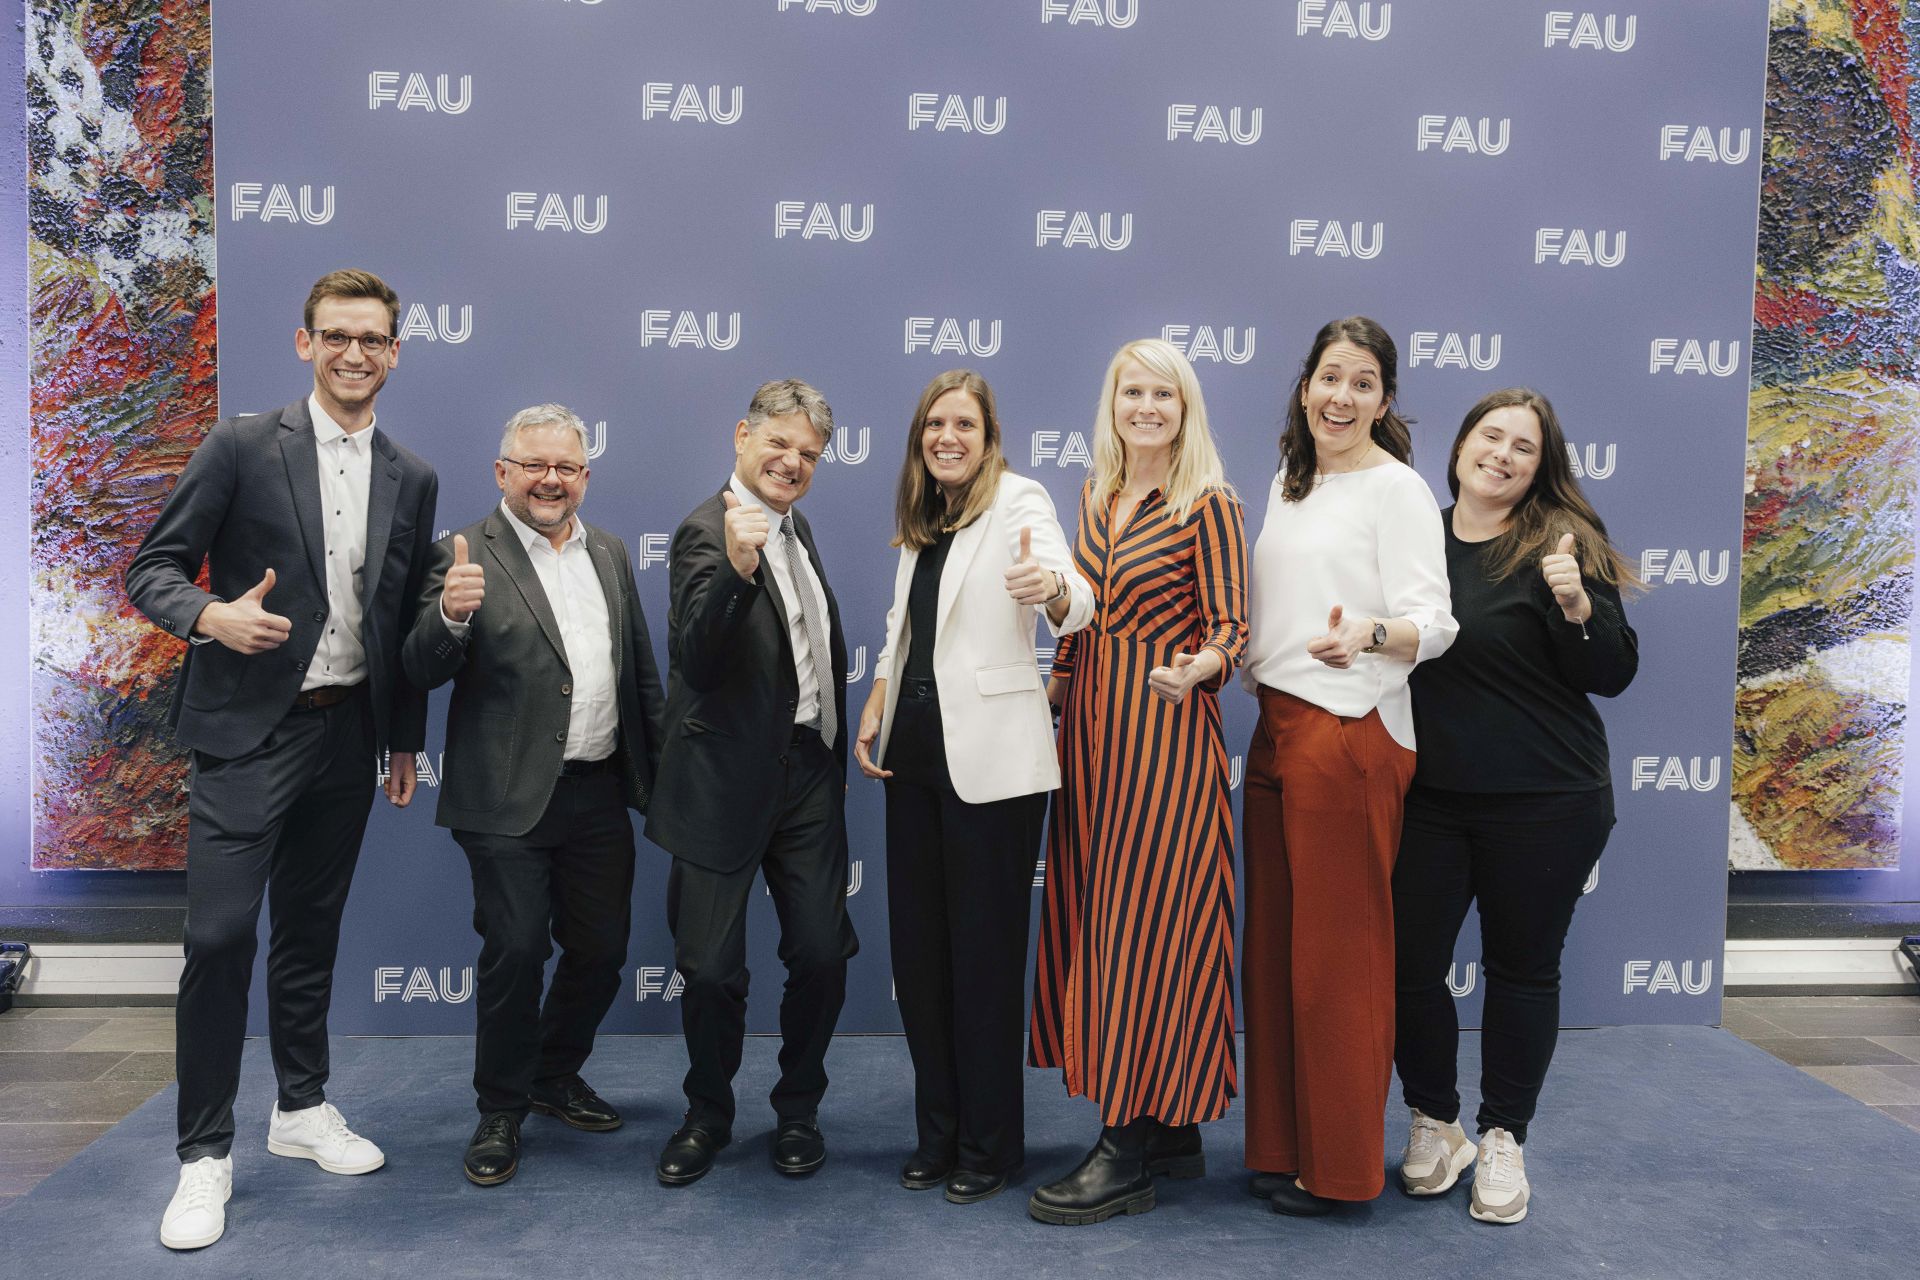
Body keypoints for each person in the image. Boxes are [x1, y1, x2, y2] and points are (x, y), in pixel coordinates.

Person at [124, 269, 437, 1251]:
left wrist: (403, 736)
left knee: (310, 931)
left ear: (395, 352)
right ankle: (204, 1153)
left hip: (349, 733)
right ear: (306, 344)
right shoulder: (242, 445)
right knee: (219, 938)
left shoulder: (411, 475)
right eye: (337, 335)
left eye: (373, 338)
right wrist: (211, 614)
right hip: (245, 729)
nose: (355, 353)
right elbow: (151, 570)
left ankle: (300, 1109)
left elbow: (401, 618)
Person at [1392, 388, 1638, 1225]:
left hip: (1547, 798)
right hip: (1429, 798)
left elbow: (1612, 670)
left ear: (1541, 467)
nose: (1501, 454)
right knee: (1408, 966)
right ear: (1459, 446)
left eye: (1522, 447)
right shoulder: (1412, 537)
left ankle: (1503, 1137)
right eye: (1489, 436)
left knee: (1523, 971)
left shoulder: (1559, 545)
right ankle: (1437, 1122)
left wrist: (1575, 604)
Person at [401, 403, 665, 1187]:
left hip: (597, 791)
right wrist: (449, 614)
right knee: (516, 950)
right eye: (535, 465)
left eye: (567, 467)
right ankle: (500, 1108)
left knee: (603, 951)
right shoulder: (463, 554)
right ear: (503, 472)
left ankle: (553, 1073)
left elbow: (639, 673)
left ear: (585, 476)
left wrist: (662, 783)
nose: (551, 480)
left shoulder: (610, 552)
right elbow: (417, 668)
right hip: (505, 801)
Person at [851, 370, 1093, 1205]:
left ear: (990, 437)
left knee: (983, 962)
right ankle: (939, 1133)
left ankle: (991, 1146)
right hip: (914, 755)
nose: (946, 437)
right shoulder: (927, 518)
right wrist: (878, 697)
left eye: (963, 424)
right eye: (933, 424)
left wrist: (1054, 592)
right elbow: (905, 627)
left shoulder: (1020, 501)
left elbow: (1073, 594)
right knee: (921, 961)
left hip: (991, 761)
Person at [1026, 339, 1248, 1226]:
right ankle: (1169, 1128)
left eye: (1163, 392)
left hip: (1166, 741)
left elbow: (1233, 625)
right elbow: (1080, 618)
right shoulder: (1091, 495)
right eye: (1131, 390)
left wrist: (1201, 667)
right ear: (1111, 403)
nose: (1146, 406)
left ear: (1185, 407)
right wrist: (1048, 689)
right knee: (1094, 914)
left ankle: (1124, 1145)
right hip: (1088, 739)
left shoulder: (1210, 503)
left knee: (1142, 930)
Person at [1239, 316, 1457, 1217]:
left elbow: (1434, 622)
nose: (1342, 396)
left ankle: (1341, 1172)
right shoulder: (1289, 482)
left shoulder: (1397, 489)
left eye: (1363, 382)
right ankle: (1283, 1148)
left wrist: (1370, 634)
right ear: (1304, 387)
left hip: (1350, 727)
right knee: (1278, 956)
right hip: (1276, 728)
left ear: (1384, 400)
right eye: (1331, 377)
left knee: (1340, 961)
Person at [646, 379, 859, 1186]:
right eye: (779, 444)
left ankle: (798, 1110)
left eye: (808, 454)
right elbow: (696, 659)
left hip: (804, 776)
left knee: (822, 954)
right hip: (720, 780)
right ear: (742, 436)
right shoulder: (707, 531)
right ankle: (707, 1113)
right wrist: (738, 569)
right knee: (708, 970)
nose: (792, 462)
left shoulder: (798, 532)